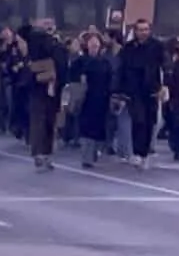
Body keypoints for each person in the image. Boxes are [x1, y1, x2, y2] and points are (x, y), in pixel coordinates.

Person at [115, 18, 167, 170]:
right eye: (140, 29)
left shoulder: (157, 46)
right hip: (134, 90)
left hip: (152, 89)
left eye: (146, 29)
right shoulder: (128, 48)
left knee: (150, 122)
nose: (143, 32)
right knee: (138, 120)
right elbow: (121, 68)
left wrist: (164, 86)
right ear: (135, 31)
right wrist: (119, 90)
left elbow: (166, 65)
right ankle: (137, 153)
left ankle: (144, 153)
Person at [21, 20, 67, 171]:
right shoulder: (52, 43)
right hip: (50, 85)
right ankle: (44, 153)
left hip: (41, 84)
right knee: (46, 121)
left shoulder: (36, 41)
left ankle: (40, 153)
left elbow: (23, 31)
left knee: (41, 120)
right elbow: (62, 66)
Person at [68, 33, 115, 169]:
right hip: (86, 99)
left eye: (96, 42)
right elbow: (72, 80)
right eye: (91, 42)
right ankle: (86, 157)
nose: (94, 45)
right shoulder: (79, 62)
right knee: (86, 128)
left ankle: (95, 151)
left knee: (100, 130)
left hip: (102, 99)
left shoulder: (105, 63)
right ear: (86, 45)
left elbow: (111, 80)